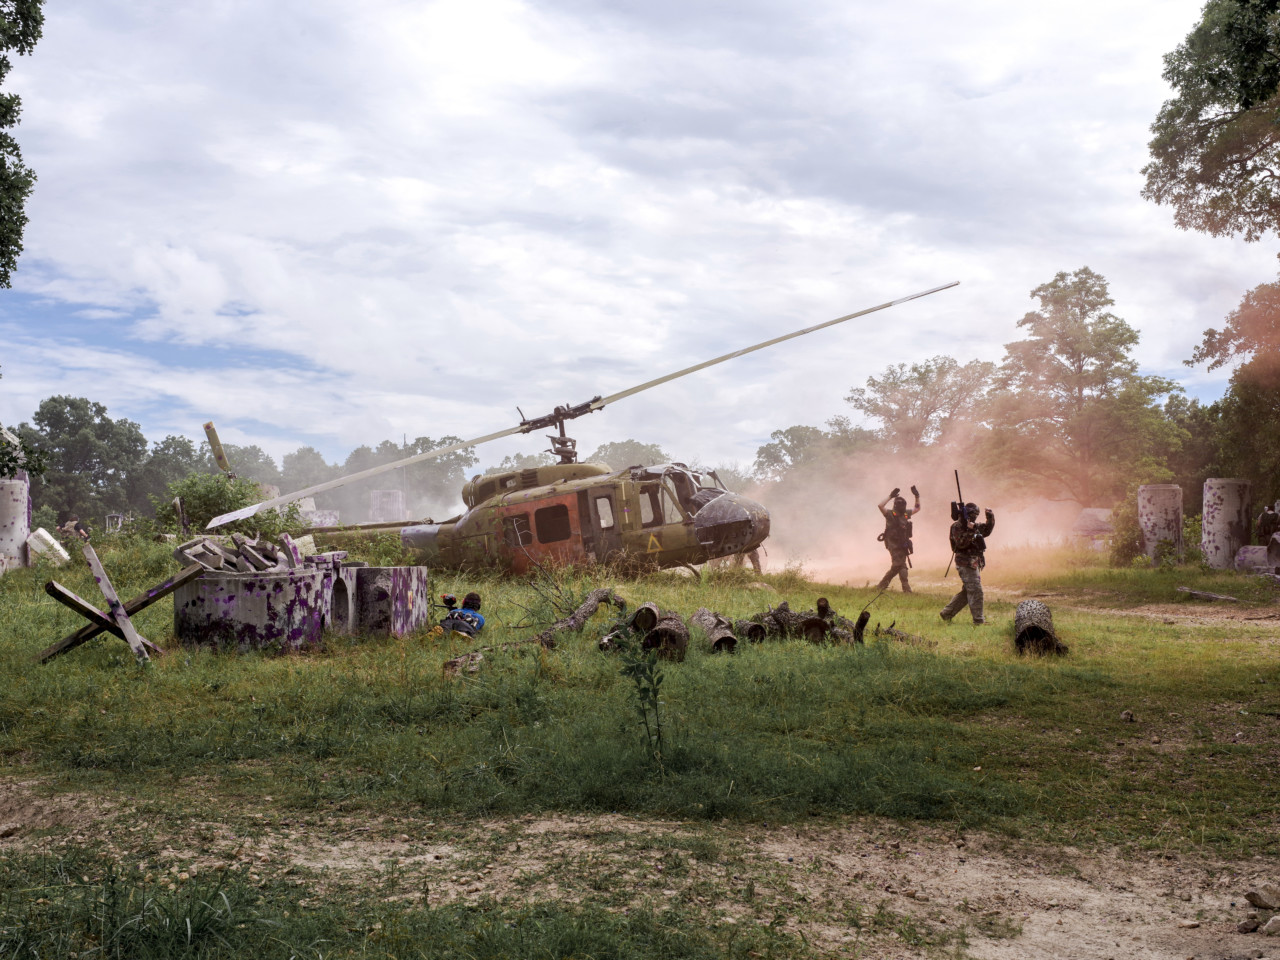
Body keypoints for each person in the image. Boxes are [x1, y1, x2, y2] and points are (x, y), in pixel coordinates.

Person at [940, 502, 995, 625]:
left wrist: (990, 516)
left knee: (967, 592)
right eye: (973, 514)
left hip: (974, 563)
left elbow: (987, 530)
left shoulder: (973, 526)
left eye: (976, 515)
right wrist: (970, 530)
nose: (975, 517)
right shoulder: (956, 526)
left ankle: (947, 613)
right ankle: (979, 621)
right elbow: (961, 543)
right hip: (965, 563)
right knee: (976, 590)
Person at [875, 485, 920, 593]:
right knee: (899, 565)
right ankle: (903, 588)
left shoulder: (905, 514)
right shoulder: (890, 514)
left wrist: (917, 496)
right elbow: (880, 505)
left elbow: (917, 508)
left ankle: (884, 586)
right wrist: (890, 496)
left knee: (899, 565)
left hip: (903, 543)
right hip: (893, 544)